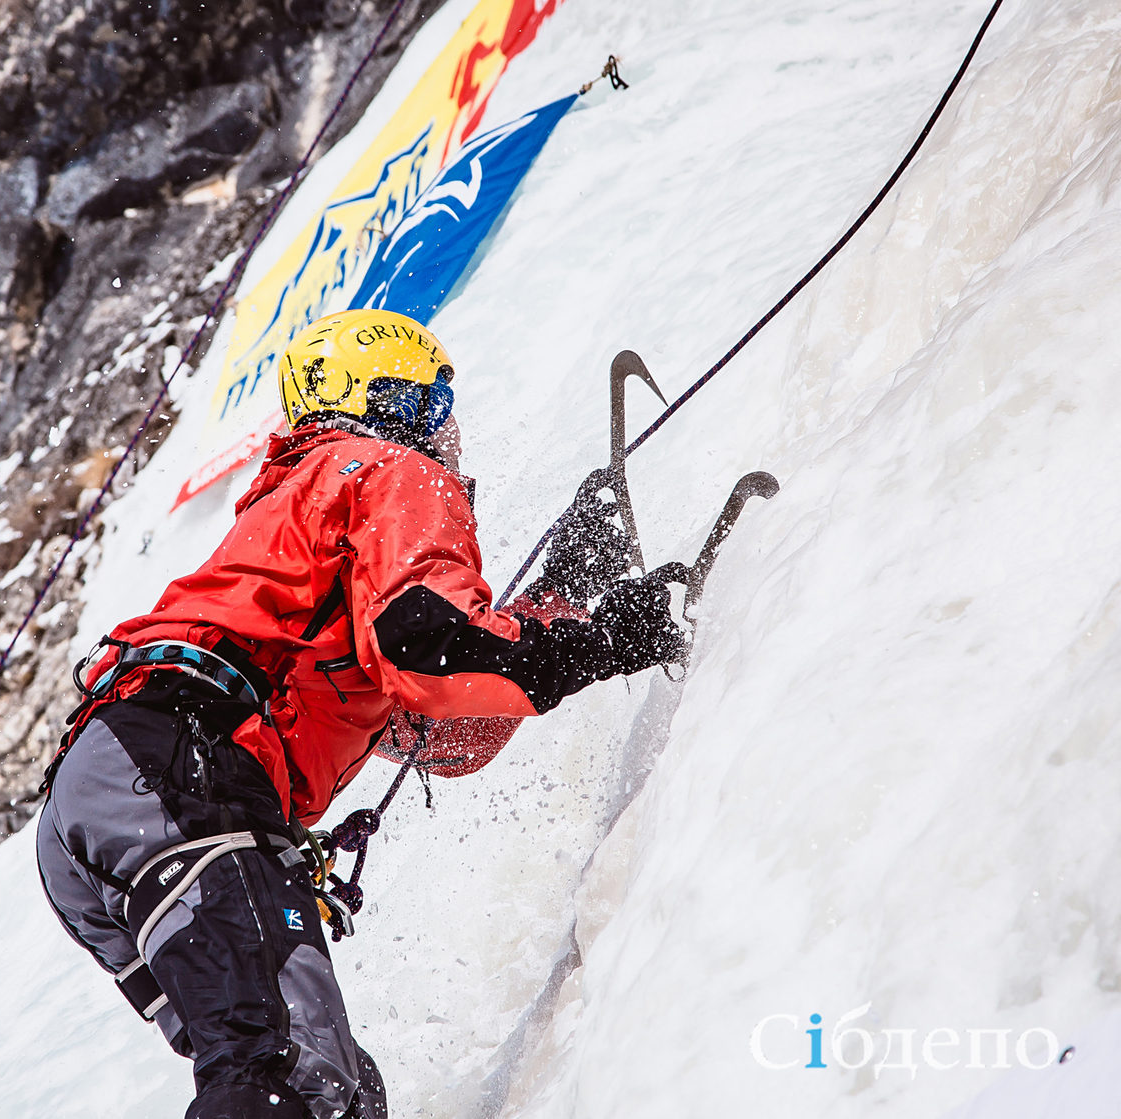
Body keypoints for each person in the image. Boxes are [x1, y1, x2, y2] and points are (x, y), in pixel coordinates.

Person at [35, 309, 688, 1119]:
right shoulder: (386, 470)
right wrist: (607, 643)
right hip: (176, 772)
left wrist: (564, 606)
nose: (450, 432)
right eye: (434, 402)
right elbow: (428, 642)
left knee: (324, 1080)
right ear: (389, 402)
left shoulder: (299, 518)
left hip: (111, 806)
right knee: (288, 1073)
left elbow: (446, 730)